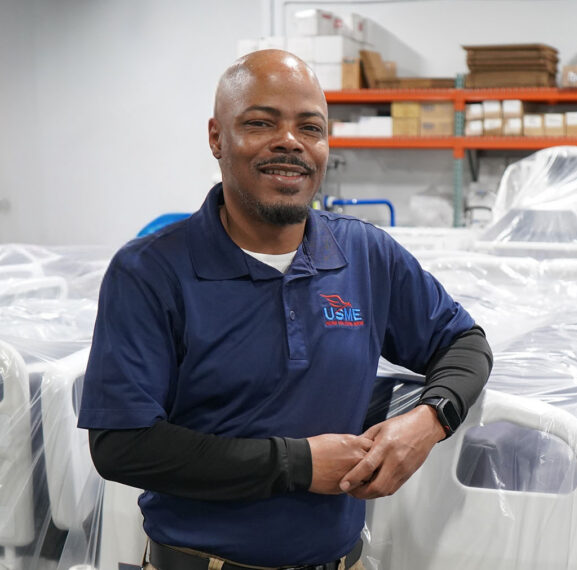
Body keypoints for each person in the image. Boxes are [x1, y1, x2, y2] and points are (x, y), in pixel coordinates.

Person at [78, 49, 492, 570]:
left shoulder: (365, 256)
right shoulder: (151, 272)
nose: (290, 142)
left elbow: (464, 343)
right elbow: (122, 444)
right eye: (260, 123)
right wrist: (297, 463)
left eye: (310, 128)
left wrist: (427, 423)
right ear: (216, 137)